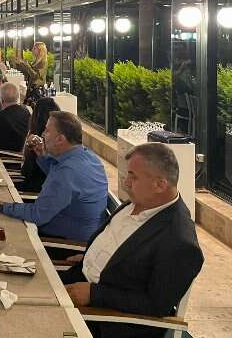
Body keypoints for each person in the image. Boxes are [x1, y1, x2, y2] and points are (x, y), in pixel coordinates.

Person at [61, 143, 204, 338]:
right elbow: (121, 250)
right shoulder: (140, 202)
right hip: (78, 280)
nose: (126, 183)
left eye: (133, 176)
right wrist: (91, 256)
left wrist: (94, 294)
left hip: (104, 320)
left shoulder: (180, 241)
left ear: (160, 185)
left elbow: (156, 305)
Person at [0, 111, 108, 242]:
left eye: (47, 131)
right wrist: (42, 154)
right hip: (87, 233)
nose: (42, 134)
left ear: (60, 139)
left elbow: (38, 214)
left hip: (67, 243)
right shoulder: (88, 156)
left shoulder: (67, 172)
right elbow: (62, 180)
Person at [18, 97, 60, 193]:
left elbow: (25, 171)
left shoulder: (36, 141)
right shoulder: (58, 142)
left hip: (33, 193)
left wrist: (28, 149)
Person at [0, 82, 30, 152]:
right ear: (17, 97)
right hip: (22, 150)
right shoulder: (26, 111)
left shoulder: (2, 116)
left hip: (8, 154)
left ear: (1, 99)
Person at [13, 42, 48, 107]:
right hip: (31, 88)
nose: (32, 50)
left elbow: (35, 76)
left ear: (40, 50)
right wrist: (21, 64)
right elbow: (28, 74)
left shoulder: (42, 62)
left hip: (36, 90)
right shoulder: (35, 61)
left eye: (34, 48)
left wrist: (27, 65)